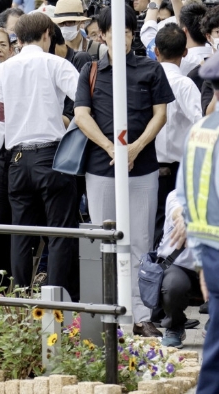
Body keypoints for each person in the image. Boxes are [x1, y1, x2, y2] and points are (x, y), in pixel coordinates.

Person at [74, 6, 175, 336]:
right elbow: (82, 115)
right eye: (115, 32)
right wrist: (110, 148)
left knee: (142, 240)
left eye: (129, 32)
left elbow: (160, 115)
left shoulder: (150, 69)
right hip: (101, 169)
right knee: (106, 240)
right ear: (102, 35)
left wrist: (134, 149)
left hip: (143, 167)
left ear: (134, 35)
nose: (123, 37)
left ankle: (142, 313)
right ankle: (107, 313)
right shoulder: (90, 70)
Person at [0, 12, 80, 299]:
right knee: (59, 234)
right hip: (51, 156)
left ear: (17, 40)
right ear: (47, 33)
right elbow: (84, 101)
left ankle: (20, 299)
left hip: (17, 160)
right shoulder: (57, 63)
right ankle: (55, 302)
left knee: (21, 235)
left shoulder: (4, 70)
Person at [176, 49, 219, 392]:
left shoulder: (200, 131)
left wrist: (202, 264)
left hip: (209, 251)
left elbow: (186, 198)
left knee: (216, 345)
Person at [153, 24, 203, 247]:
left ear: (156, 51)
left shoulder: (146, 79)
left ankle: (151, 275)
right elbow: (200, 122)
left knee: (153, 227)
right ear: (184, 52)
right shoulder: (184, 84)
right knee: (177, 231)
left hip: (148, 166)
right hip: (179, 169)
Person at [152, 190, 203, 348]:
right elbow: (177, 211)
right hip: (179, 266)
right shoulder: (177, 194)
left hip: (211, 266)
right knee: (174, 286)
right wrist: (183, 220)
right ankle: (174, 326)